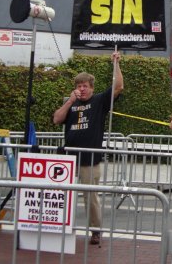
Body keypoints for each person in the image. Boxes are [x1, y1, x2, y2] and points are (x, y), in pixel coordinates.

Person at [53, 51, 123, 245]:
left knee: (91, 197)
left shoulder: (99, 101)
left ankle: (95, 230)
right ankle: (58, 225)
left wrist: (115, 64)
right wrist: (69, 101)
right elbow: (57, 119)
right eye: (78, 86)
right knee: (60, 193)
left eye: (85, 86)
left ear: (92, 88)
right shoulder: (72, 103)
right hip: (68, 157)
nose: (81, 89)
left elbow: (118, 87)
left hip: (89, 158)